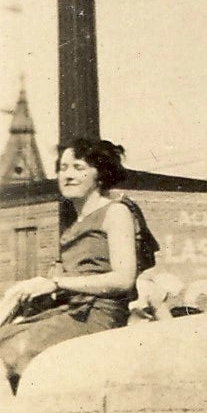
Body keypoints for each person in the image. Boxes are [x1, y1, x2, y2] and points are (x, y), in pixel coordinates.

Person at [0, 137, 156, 392]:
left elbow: (123, 279)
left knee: (13, 351)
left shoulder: (116, 213)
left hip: (97, 315)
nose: (68, 175)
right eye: (63, 168)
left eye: (78, 168)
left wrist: (57, 282)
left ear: (100, 174)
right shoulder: (76, 223)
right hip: (70, 311)